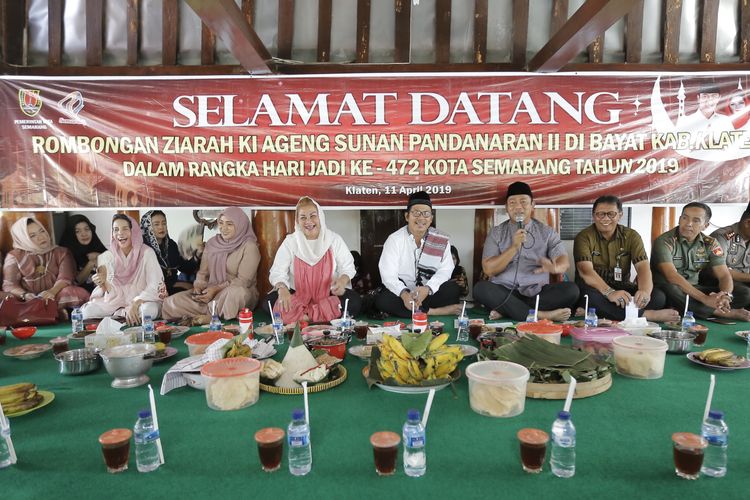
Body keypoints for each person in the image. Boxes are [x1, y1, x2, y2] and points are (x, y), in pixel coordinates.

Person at [473, 182, 578, 322]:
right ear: (506, 207)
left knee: (572, 290)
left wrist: (554, 267)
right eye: (512, 203)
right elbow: (489, 270)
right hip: (504, 291)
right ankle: (540, 315)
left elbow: (563, 262)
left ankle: (509, 310)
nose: (518, 207)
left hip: (536, 294)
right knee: (481, 289)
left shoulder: (546, 232)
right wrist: (514, 247)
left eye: (523, 202)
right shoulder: (496, 233)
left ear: (533, 204)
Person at [574, 195, 679, 322]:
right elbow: (586, 272)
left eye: (611, 214)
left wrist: (644, 291)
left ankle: (609, 312)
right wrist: (610, 293)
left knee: (658, 296)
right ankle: (647, 315)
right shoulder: (584, 237)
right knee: (589, 299)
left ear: (620, 215)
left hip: (622, 287)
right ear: (593, 215)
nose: (605, 218)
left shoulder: (631, 236)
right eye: (600, 214)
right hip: (596, 289)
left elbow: (643, 268)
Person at [264, 197, 360, 323]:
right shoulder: (291, 242)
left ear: (320, 217)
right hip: (297, 295)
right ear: (297, 221)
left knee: (355, 301)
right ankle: (321, 316)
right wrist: (282, 289)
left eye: (313, 216)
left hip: (329, 294)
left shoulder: (333, 239)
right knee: (268, 303)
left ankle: (303, 317)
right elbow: (278, 272)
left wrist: (342, 281)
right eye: (303, 217)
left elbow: (348, 267)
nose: (308, 221)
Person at [652, 202, 750, 320]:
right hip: (672, 289)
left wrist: (725, 295)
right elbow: (671, 276)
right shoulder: (665, 241)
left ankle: (699, 308)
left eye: (696, 220)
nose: (688, 224)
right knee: (670, 288)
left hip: (695, 288)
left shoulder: (711, 243)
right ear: (679, 219)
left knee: (744, 293)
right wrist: (705, 299)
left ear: (705, 226)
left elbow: (724, 275)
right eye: (684, 218)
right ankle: (720, 312)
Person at [162, 207, 260, 323]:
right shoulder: (212, 243)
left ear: (240, 225)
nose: (224, 228)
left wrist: (216, 289)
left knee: (235, 294)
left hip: (233, 293)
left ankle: (209, 315)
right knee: (170, 302)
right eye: (221, 223)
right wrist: (199, 287)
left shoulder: (249, 247)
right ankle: (214, 313)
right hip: (209, 294)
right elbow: (203, 273)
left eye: (229, 224)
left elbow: (243, 281)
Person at [374, 191, 461, 318]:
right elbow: (388, 275)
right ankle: (434, 312)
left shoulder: (440, 240)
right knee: (383, 301)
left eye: (426, 214)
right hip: (403, 294)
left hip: (428, 293)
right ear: (407, 216)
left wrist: (428, 288)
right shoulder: (394, 240)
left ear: (431, 219)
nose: (421, 218)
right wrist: (404, 294)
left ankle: (417, 311)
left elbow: (446, 270)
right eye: (416, 213)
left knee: (452, 289)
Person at [81, 214, 164, 325]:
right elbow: (108, 289)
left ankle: (120, 317)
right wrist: (101, 282)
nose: (120, 233)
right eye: (116, 230)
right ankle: (123, 315)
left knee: (148, 311)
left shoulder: (147, 253)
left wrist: (135, 304)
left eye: (125, 228)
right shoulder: (108, 255)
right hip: (116, 301)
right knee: (87, 312)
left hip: (142, 300)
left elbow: (154, 285)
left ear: (133, 231)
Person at [2, 217, 89, 319]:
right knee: (6, 298)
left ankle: (43, 313)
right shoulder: (14, 256)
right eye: (32, 236)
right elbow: (10, 285)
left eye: (42, 231)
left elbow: (65, 278)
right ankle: (53, 313)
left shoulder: (61, 252)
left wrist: (51, 291)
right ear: (23, 238)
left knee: (75, 292)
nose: (41, 237)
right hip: (26, 300)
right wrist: (25, 295)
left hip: (55, 295)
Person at [140, 210, 202, 295]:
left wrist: (197, 255)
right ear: (148, 227)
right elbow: (147, 280)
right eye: (156, 224)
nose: (161, 227)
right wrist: (178, 284)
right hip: (153, 290)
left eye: (164, 223)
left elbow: (184, 267)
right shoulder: (144, 249)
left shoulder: (171, 245)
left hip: (174, 286)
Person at [707, 205, 750, 302]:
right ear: (747, 223)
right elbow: (718, 272)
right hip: (720, 282)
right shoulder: (722, 237)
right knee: (746, 294)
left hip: (744, 281)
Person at [59, 214, 107, 293]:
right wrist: (91, 264)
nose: (84, 234)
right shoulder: (66, 254)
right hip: (80, 298)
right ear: (71, 235)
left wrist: (102, 257)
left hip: (105, 295)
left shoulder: (99, 248)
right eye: (78, 231)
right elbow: (75, 281)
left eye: (87, 229)